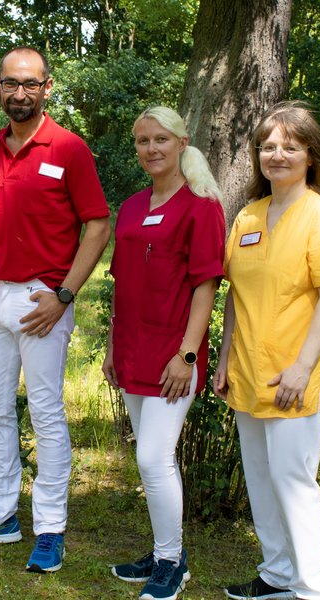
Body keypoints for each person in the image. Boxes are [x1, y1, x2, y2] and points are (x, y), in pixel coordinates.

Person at [0, 46, 111, 574]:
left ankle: (51, 527)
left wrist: (64, 294)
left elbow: (98, 224)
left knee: (45, 412)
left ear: (47, 86)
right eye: (11, 83)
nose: (20, 93)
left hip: (43, 297)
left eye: (30, 84)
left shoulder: (69, 148)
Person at [213, 101, 320, 600]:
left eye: (289, 147)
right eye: (268, 146)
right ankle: (275, 575)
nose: (277, 155)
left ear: (311, 156)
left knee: (294, 483)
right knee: (261, 481)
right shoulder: (248, 215)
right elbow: (235, 294)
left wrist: (300, 367)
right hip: (248, 371)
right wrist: (224, 357)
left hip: (295, 375)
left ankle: (314, 590)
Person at [102, 106, 225, 600]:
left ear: (182, 142)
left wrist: (189, 355)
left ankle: (172, 562)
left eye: (160, 140)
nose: (151, 149)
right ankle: (162, 549)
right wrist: (113, 347)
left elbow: (206, 285)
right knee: (152, 458)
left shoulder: (202, 205)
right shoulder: (132, 207)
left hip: (175, 355)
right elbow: (119, 283)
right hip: (132, 349)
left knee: (154, 457)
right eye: (142, 141)